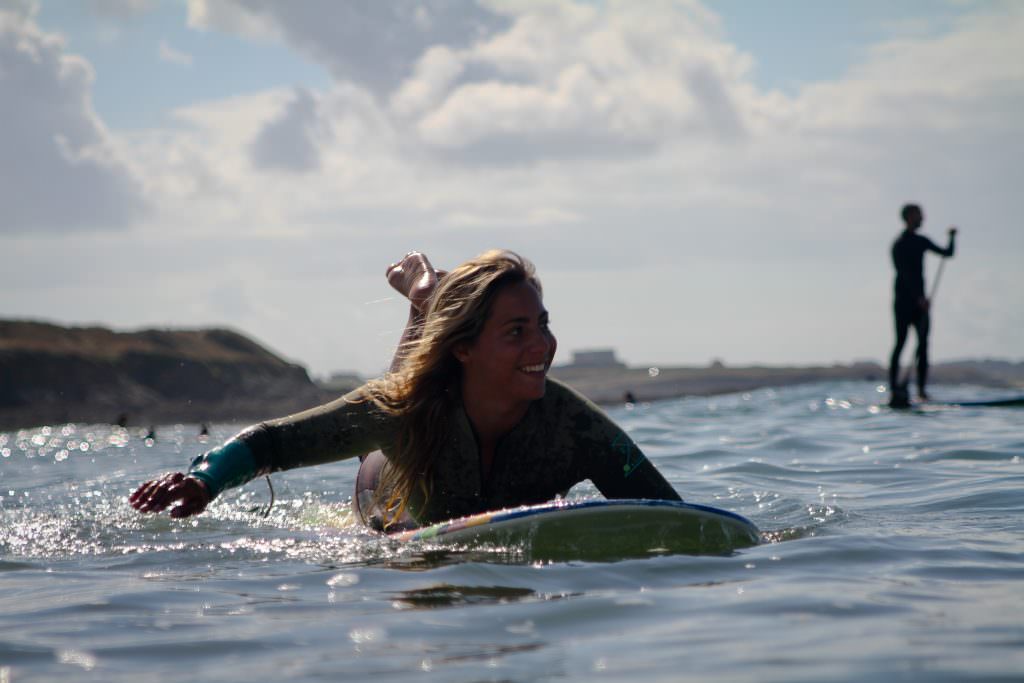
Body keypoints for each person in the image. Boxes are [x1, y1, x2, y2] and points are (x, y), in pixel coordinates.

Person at [130, 249, 681, 528]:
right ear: (465, 347)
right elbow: (271, 443)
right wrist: (204, 480)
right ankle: (426, 299)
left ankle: (428, 299)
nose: (543, 346)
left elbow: (675, 516)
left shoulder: (573, 424)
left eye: (543, 324)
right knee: (405, 389)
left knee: (412, 382)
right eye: (517, 331)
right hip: (386, 488)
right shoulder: (397, 411)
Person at [888, 204, 956, 404]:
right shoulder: (899, 244)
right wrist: (918, 297)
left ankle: (921, 391)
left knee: (923, 345)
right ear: (909, 217)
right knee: (901, 342)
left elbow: (947, 253)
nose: (922, 218)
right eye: (919, 215)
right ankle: (894, 388)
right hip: (904, 301)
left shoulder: (921, 241)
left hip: (921, 303)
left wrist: (952, 237)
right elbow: (904, 274)